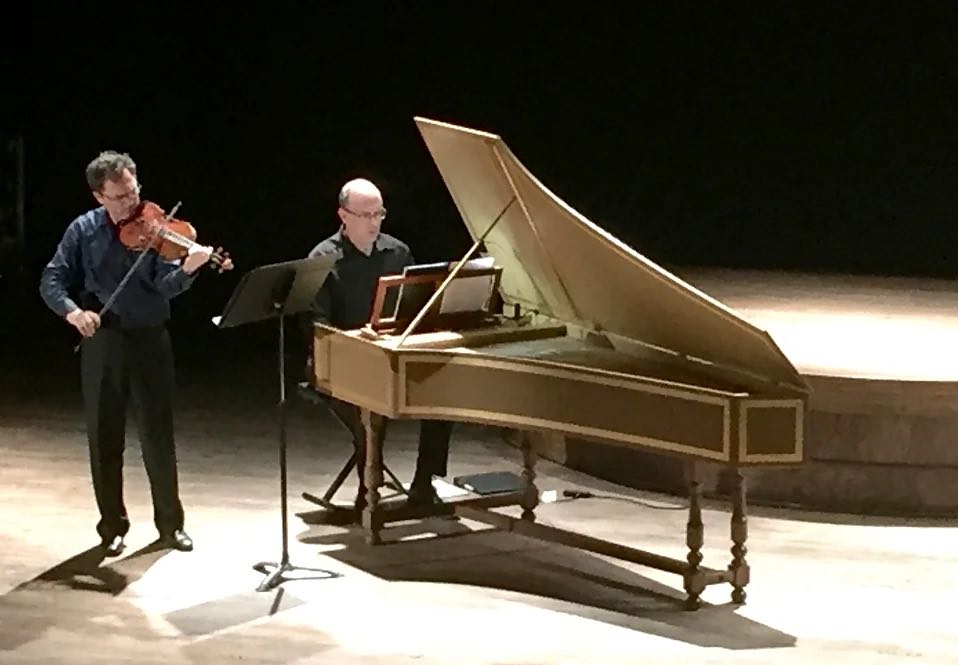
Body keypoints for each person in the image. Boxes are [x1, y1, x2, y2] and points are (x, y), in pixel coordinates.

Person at [39, 150, 220, 556]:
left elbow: (163, 286)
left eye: (134, 192)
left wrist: (189, 269)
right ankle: (112, 527)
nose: (132, 204)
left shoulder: (154, 225)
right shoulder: (82, 231)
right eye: (119, 197)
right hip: (103, 340)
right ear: (98, 196)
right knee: (105, 438)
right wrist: (73, 312)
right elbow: (52, 279)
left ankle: (171, 526)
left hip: (150, 338)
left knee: (158, 435)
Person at [307, 177, 452, 513]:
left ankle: (422, 486)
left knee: (443, 397)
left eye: (379, 214)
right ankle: (366, 495)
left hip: (389, 358)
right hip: (337, 363)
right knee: (367, 414)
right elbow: (317, 327)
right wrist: (358, 343)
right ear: (343, 215)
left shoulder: (397, 252)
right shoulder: (322, 259)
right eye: (365, 215)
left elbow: (413, 310)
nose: (374, 222)